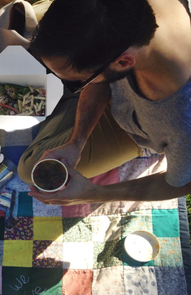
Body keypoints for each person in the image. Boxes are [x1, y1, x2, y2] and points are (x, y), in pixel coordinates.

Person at [18, 0, 191, 205]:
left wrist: (91, 193)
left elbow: (180, 184)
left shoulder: (182, 123)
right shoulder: (123, 26)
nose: (80, 85)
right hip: (114, 83)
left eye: (80, 81)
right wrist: (76, 142)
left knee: (30, 168)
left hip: (140, 128)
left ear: (123, 63)